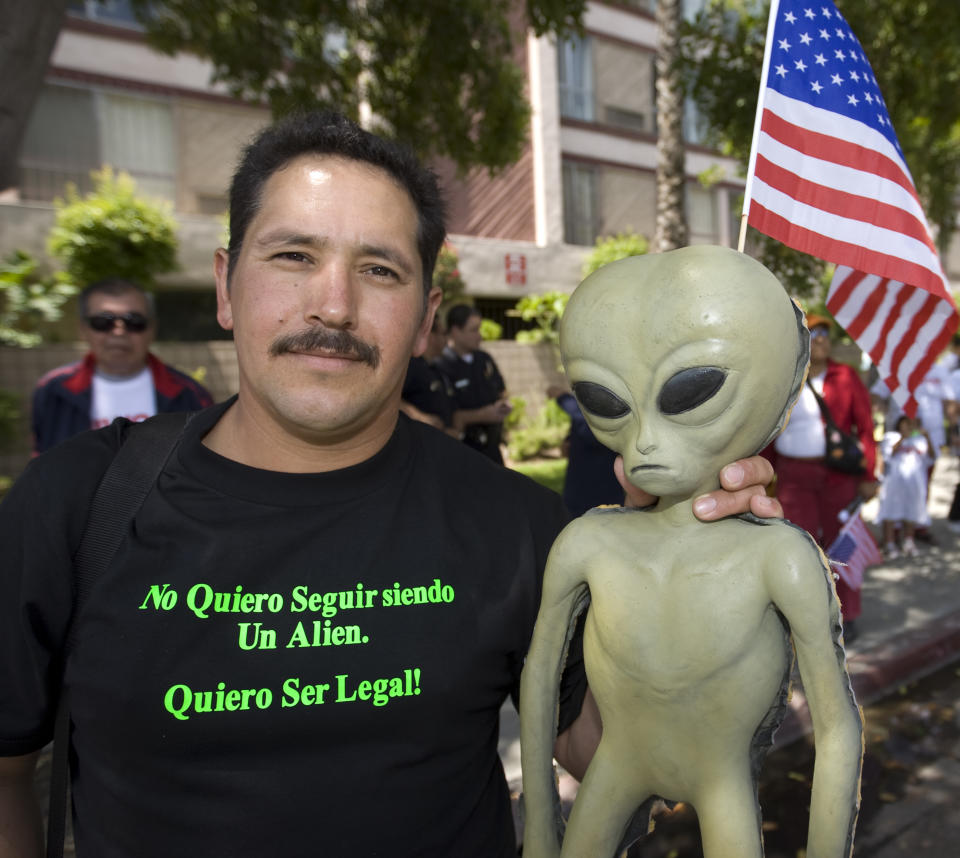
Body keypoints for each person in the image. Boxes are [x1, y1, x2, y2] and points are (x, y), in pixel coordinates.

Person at [0, 111, 781, 858]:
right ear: (225, 284)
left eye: (379, 270)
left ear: (423, 316)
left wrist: (693, 596)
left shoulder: (515, 523)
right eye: (293, 256)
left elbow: (620, 760)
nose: (333, 306)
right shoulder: (75, 505)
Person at [764, 313, 877, 639]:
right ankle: (804, 617)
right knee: (800, 545)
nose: (822, 337)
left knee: (842, 545)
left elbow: (866, 427)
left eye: (826, 332)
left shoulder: (846, 376)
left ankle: (847, 613)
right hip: (794, 477)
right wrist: (763, 479)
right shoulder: (785, 377)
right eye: (814, 332)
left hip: (838, 476)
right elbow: (769, 432)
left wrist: (870, 474)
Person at [30, 278, 213, 455]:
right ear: (83, 329)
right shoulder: (54, 391)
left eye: (134, 321)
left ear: (152, 329)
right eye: (103, 322)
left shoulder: (189, 394)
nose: (119, 331)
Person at [435, 303, 512, 463]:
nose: (479, 336)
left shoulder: (484, 360)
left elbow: (501, 390)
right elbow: (448, 416)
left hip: (492, 451)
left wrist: (503, 404)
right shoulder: (441, 365)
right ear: (456, 331)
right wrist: (484, 415)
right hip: (462, 454)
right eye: (473, 330)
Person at [548, 385, 622, 517]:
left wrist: (563, 398)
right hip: (582, 481)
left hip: (597, 490)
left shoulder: (610, 395)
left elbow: (593, 427)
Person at [877, 415, 935, 558]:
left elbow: (932, 457)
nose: (909, 426)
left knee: (912, 511)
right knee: (891, 511)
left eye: (911, 423)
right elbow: (888, 454)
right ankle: (889, 543)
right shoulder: (891, 437)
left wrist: (928, 437)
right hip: (894, 483)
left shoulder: (920, 440)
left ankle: (908, 541)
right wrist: (902, 438)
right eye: (906, 423)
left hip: (914, 484)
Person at [399, 314, 462, 437]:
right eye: (443, 333)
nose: (447, 339)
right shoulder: (411, 366)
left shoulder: (438, 369)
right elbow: (389, 400)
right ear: (430, 335)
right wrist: (420, 417)